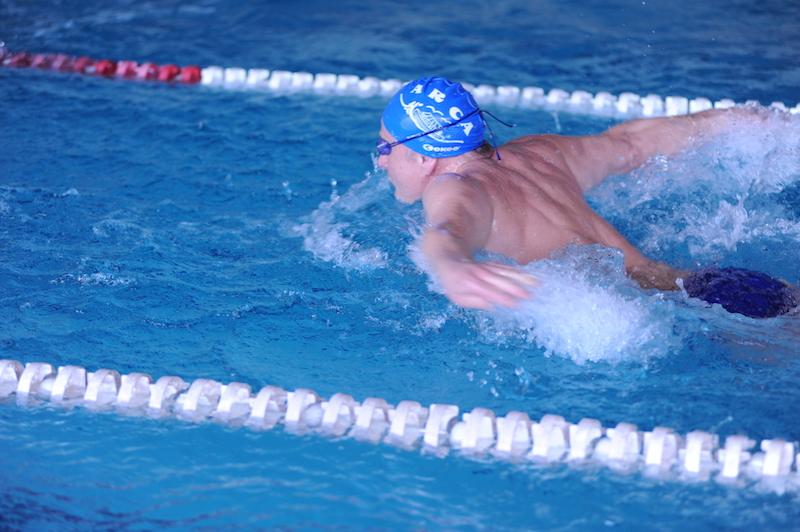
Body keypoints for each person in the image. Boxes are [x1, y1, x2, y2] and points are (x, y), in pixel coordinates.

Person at [375, 76, 798, 318]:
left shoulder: (453, 186)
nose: (380, 161)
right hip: (718, 285)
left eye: (385, 147)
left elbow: (447, 229)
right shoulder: (539, 152)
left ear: (422, 157)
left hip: (693, 314)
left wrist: (451, 266)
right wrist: (752, 123)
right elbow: (630, 145)